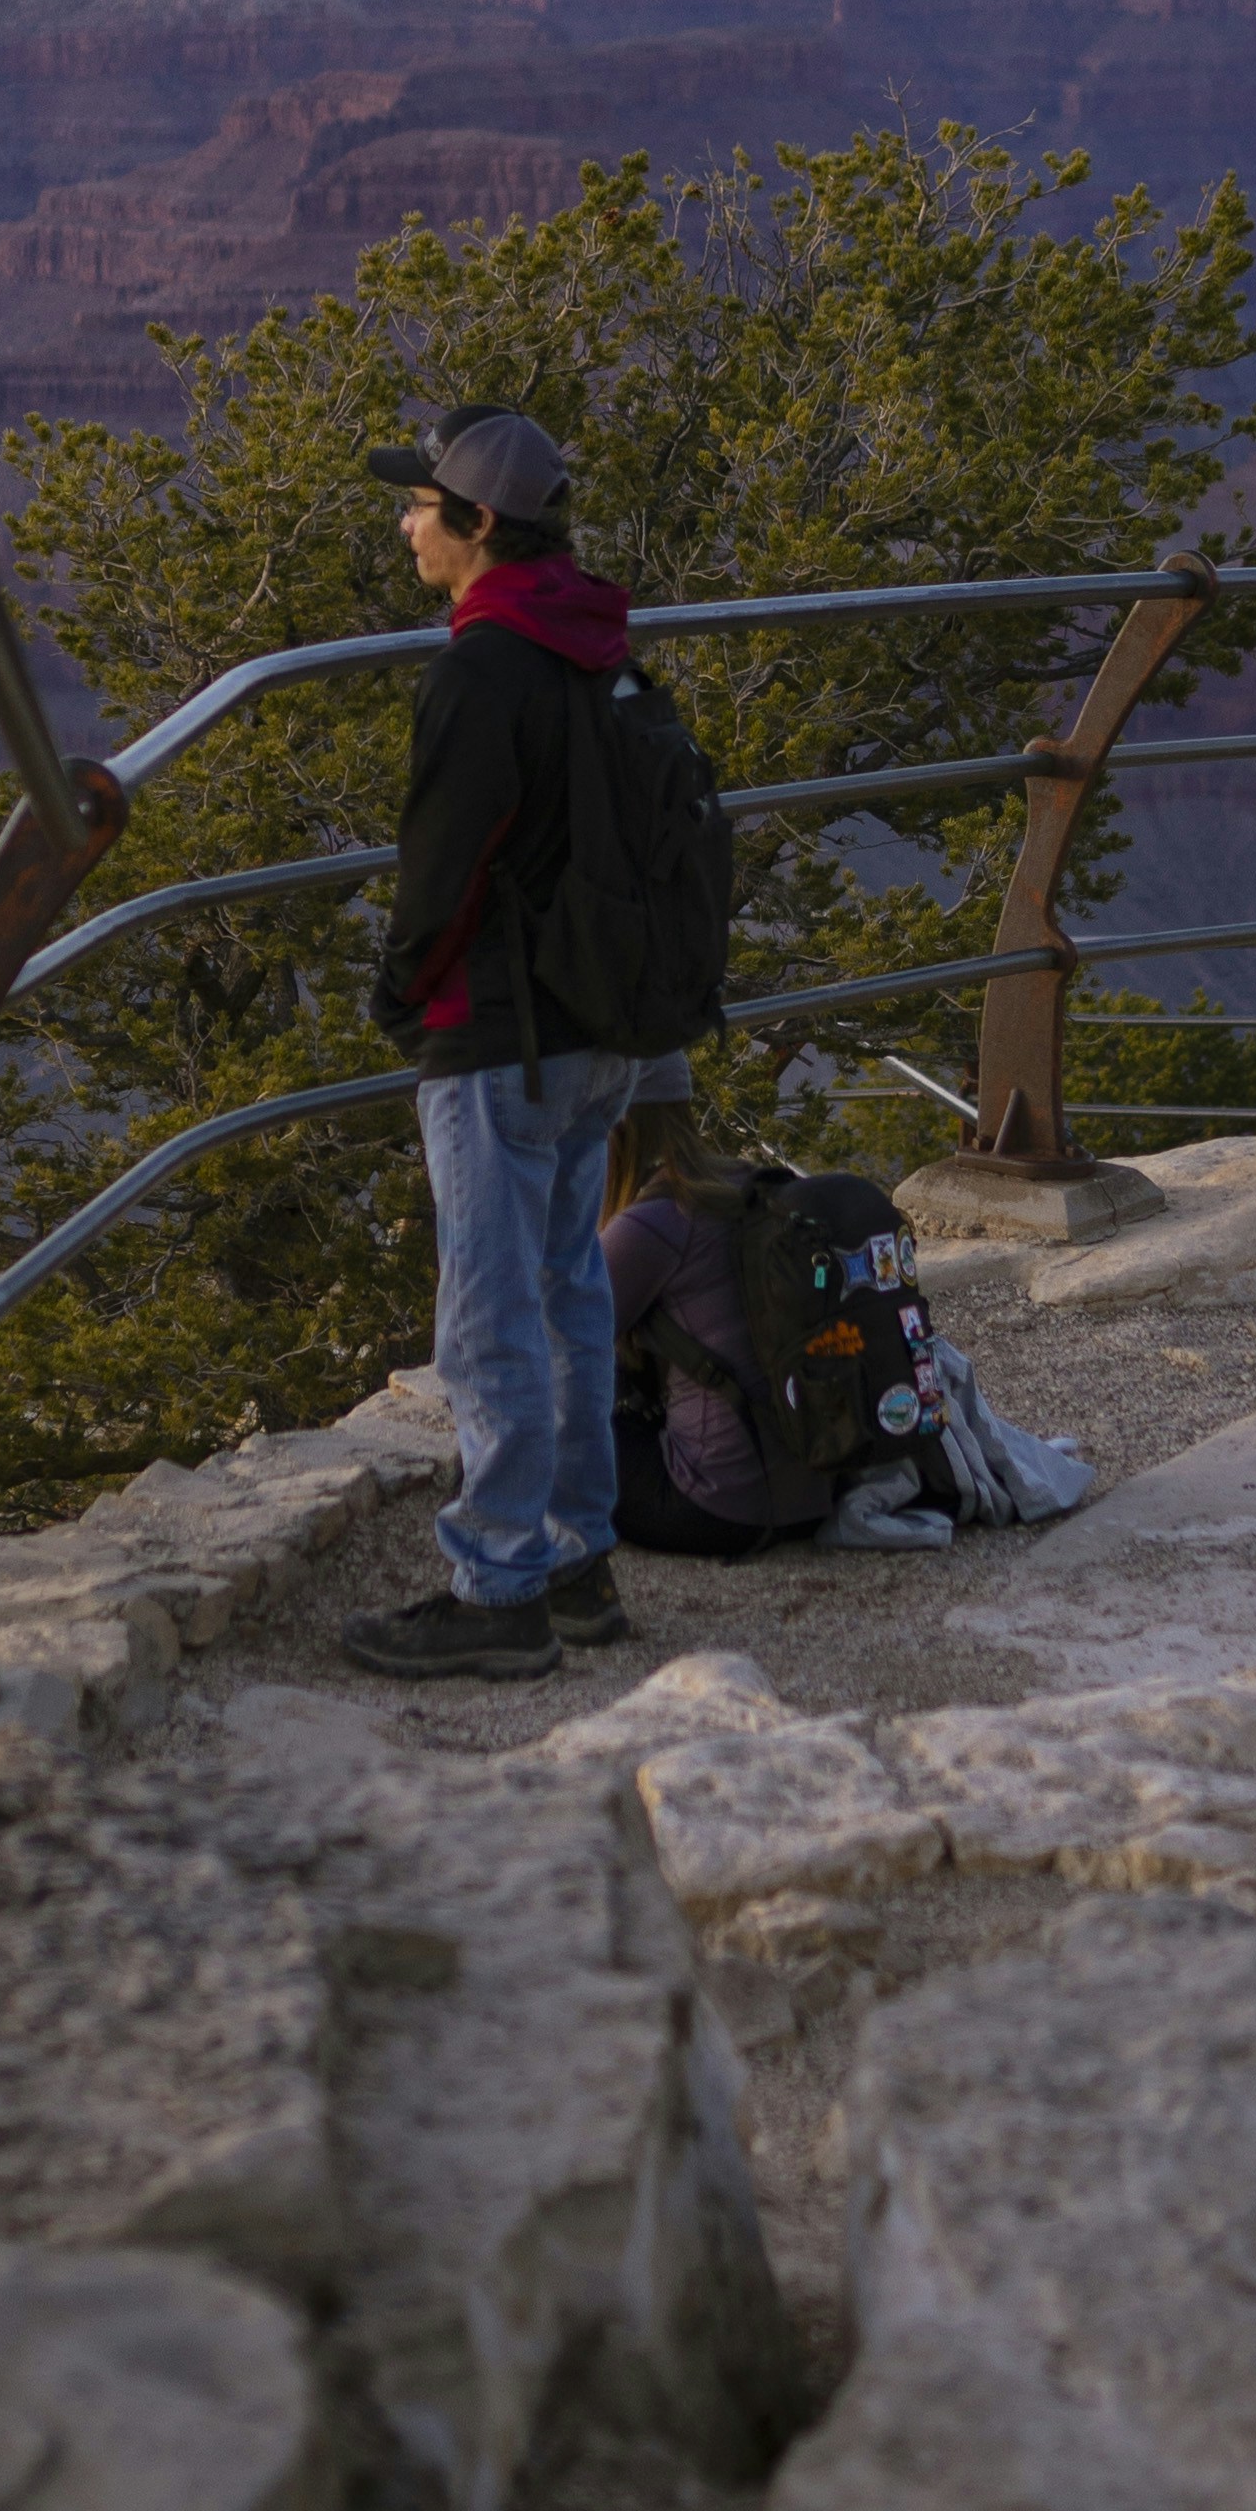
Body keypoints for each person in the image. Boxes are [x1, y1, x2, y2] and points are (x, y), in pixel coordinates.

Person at [341, 406, 641, 1684]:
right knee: (570, 1288)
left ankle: (497, 1588)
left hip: (500, 1034)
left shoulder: (479, 671)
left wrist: (405, 992)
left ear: (476, 526)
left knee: (486, 1315)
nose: (404, 523)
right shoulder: (594, 648)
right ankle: (577, 1563)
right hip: (600, 1025)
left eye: (419, 506)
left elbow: (443, 867)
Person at [601, 1059, 832, 1560]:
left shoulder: (652, 1223)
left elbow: (555, 1344)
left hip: (720, 1510)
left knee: (549, 1434)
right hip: (820, 1492)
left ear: (612, 1124)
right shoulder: (751, 1184)